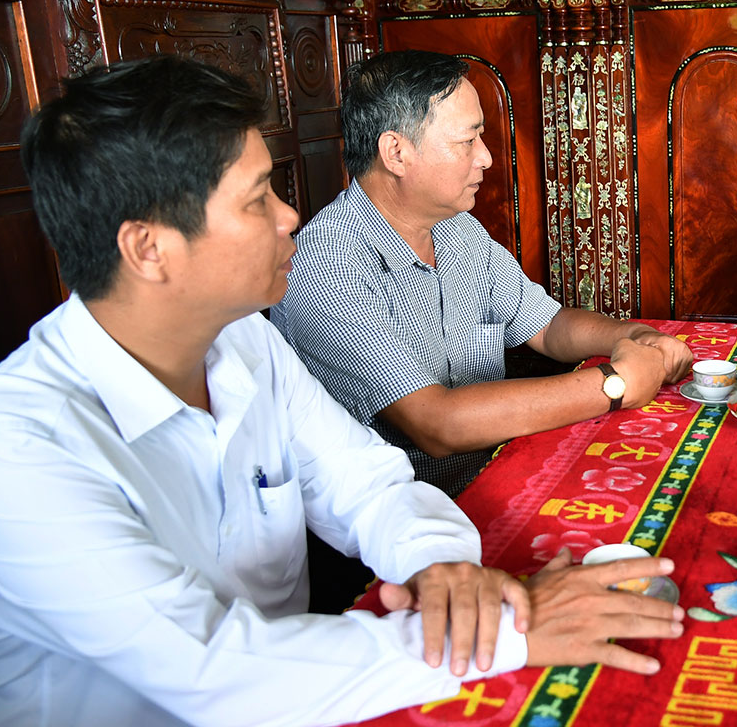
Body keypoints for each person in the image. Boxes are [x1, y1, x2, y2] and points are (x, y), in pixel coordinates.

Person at [0, 56, 684, 727]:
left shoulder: (241, 341)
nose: (291, 215)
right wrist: (509, 629)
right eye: (258, 199)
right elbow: (215, 673)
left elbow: (367, 483)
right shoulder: (8, 451)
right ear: (149, 248)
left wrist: (443, 566)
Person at [272, 50, 692, 497]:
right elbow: (438, 423)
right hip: (400, 525)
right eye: (467, 141)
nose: (487, 158)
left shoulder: (457, 229)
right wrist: (616, 382)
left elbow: (547, 326)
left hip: (493, 481)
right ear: (396, 152)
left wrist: (634, 337)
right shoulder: (325, 264)